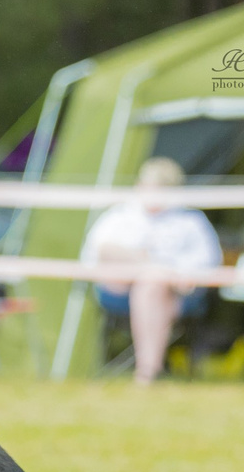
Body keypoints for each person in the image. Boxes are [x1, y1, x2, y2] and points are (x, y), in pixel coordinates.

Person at [81, 157, 222, 384]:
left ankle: (146, 371)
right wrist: (141, 262)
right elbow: (94, 253)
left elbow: (208, 262)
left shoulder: (190, 221)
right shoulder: (120, 214)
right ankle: (149, 370)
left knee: (152, 284)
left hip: (173, 291)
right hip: (118, 289)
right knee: (146, 279)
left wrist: (160, 270)